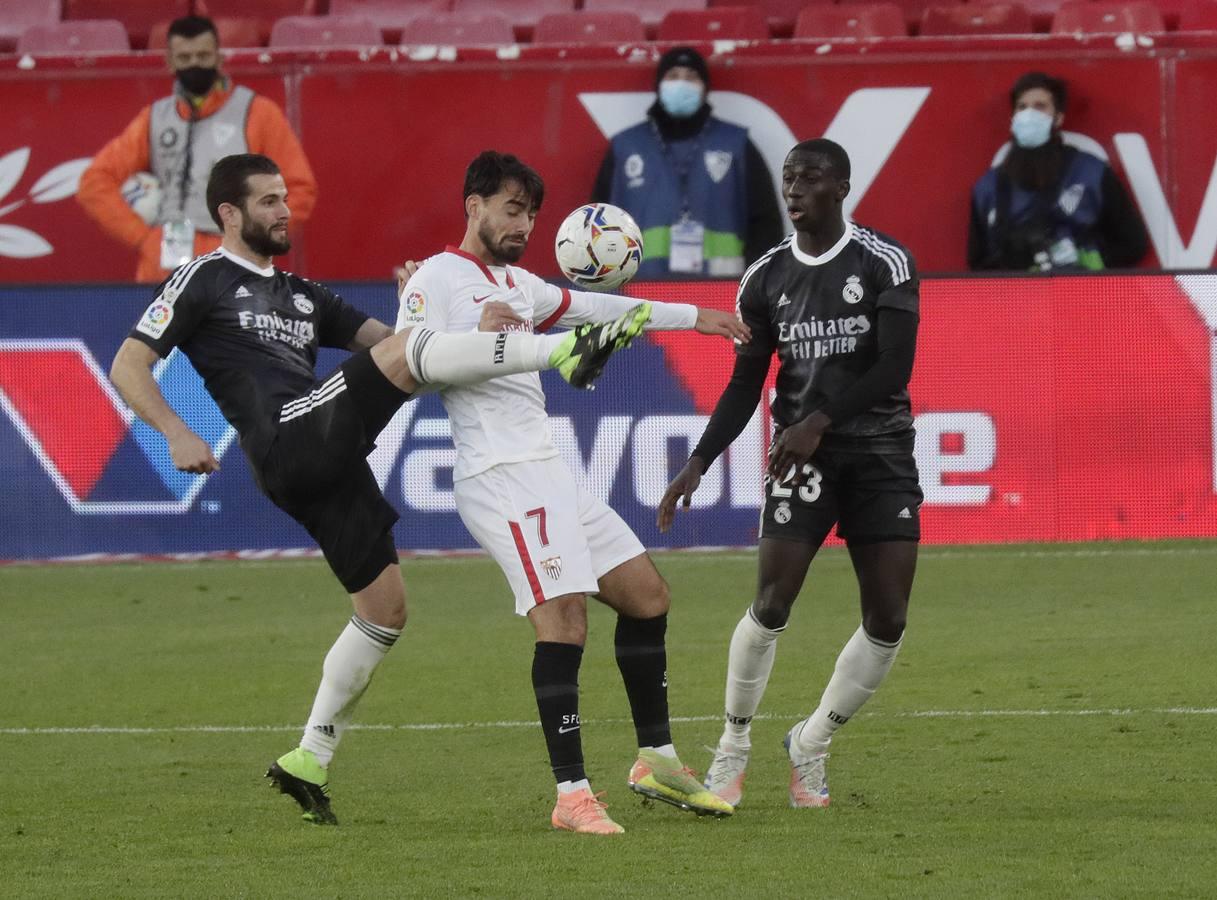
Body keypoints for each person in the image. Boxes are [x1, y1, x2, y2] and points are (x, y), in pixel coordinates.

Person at [108, 153, 650, 826]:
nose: (285, 210)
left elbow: (403, 347)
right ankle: (566, 352)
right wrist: (173, 432)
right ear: (229, 213)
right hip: (287, 438)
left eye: (285, 199)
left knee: (385, 608)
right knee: (404, 354)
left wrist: (439, 319)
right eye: (269, 201)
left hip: (329, 459)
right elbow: (129, 363)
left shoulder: (304, 296)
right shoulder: (203, 279)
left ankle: (308, 756)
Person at [397, 150, 749, 835]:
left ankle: (656, 760)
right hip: (497, 476)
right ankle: (572, 796)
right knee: (562, 622)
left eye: (529, 212)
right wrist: (478, 335)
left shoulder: (520, 285)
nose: (522, 223)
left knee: (647, 598)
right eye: (509, 208)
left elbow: (595, 306)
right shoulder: (435, 279)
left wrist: (693, 317)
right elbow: (411, 361)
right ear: (472, 205)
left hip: (548, 468)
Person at [659, 138, 921, 810]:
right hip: (799, 460)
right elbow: (746, 382)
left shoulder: (884, 261)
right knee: (772, 601)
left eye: (808, 179)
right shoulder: (763, 278)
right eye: (787, 179)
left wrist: (819, 420)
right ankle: (731, 749)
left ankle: (810, 741)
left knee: (887, 617)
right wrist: (698, 460)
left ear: (840, 186)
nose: (794, 189)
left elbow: (892, 369)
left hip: (879, 453)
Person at [78, 15, 317, 284]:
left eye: (203, 56)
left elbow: (299, 190)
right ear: (170, 61)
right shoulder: (155, 118)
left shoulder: (258, 113)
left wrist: (253, 237)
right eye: (185, 57)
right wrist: (142, 238)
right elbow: (94, 182)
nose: (195, 64)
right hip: (164, 265)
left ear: (219, 57)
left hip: (237, 264)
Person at [591, 46, 784, 280]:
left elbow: (765, 225)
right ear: (659, 85)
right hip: (640, 295)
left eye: (691, 77)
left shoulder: (736, 145)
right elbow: (595, 226)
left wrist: (756, 288)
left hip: (722, 294)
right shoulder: (625, 149)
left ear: (705, 90)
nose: (681, 84)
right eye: (673, 76)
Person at [968, 71, 1147, 272]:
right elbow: (978, 262)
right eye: (1022, 107)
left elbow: (1133, 244)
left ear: (1059, 118)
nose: (1029, 115)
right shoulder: (988, 188)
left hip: (1080, 296)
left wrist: (1084, 261)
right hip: (1018, 299)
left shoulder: (1092, 173)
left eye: (1040, 106)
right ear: (1013, 119)